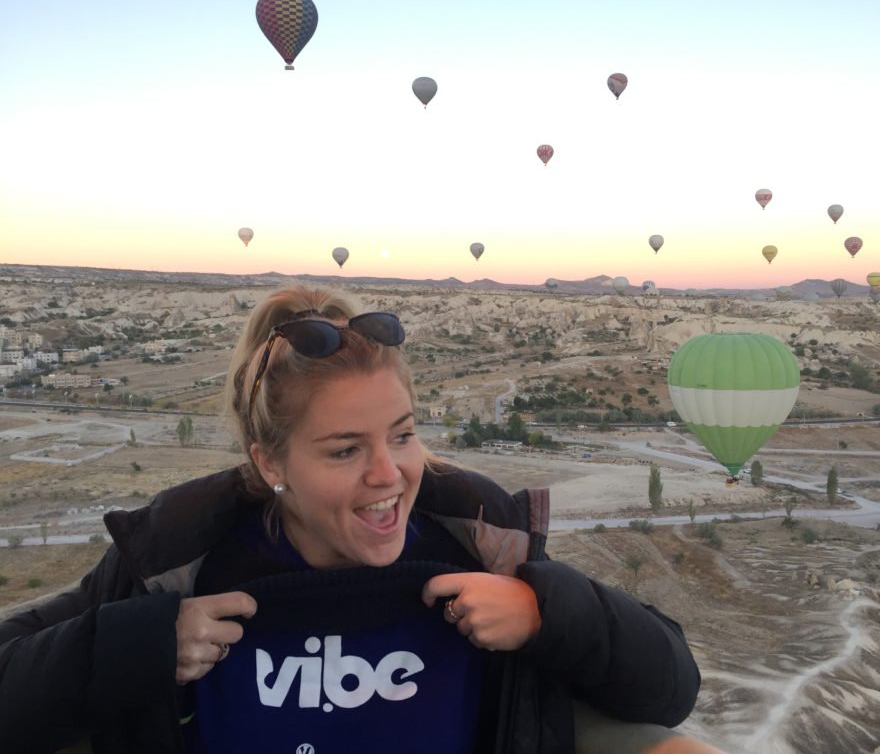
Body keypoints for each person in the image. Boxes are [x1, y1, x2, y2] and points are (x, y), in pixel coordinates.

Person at [0, 285, 707, 753]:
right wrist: (145, 643)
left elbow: (671, 686)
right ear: (270, 462)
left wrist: (544, 609)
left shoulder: (475, 540)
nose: (389, 475)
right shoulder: (179, 561)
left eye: (401, 435)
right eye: (344, 450)